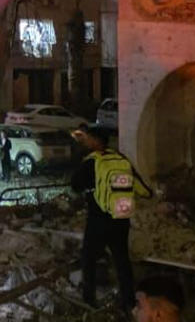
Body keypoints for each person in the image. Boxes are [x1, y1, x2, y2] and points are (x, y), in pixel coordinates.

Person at [72, 125, 153, 310]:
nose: (86, 141)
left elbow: (74, 185)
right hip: (121, 218)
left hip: (98, 219)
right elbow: (144, 190)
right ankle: (128, 302)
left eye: (89, 138)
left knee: (89, 258)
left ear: (96, 141)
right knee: (122, 260)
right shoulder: (121, 159)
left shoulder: (91, 161)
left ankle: (89, 300)